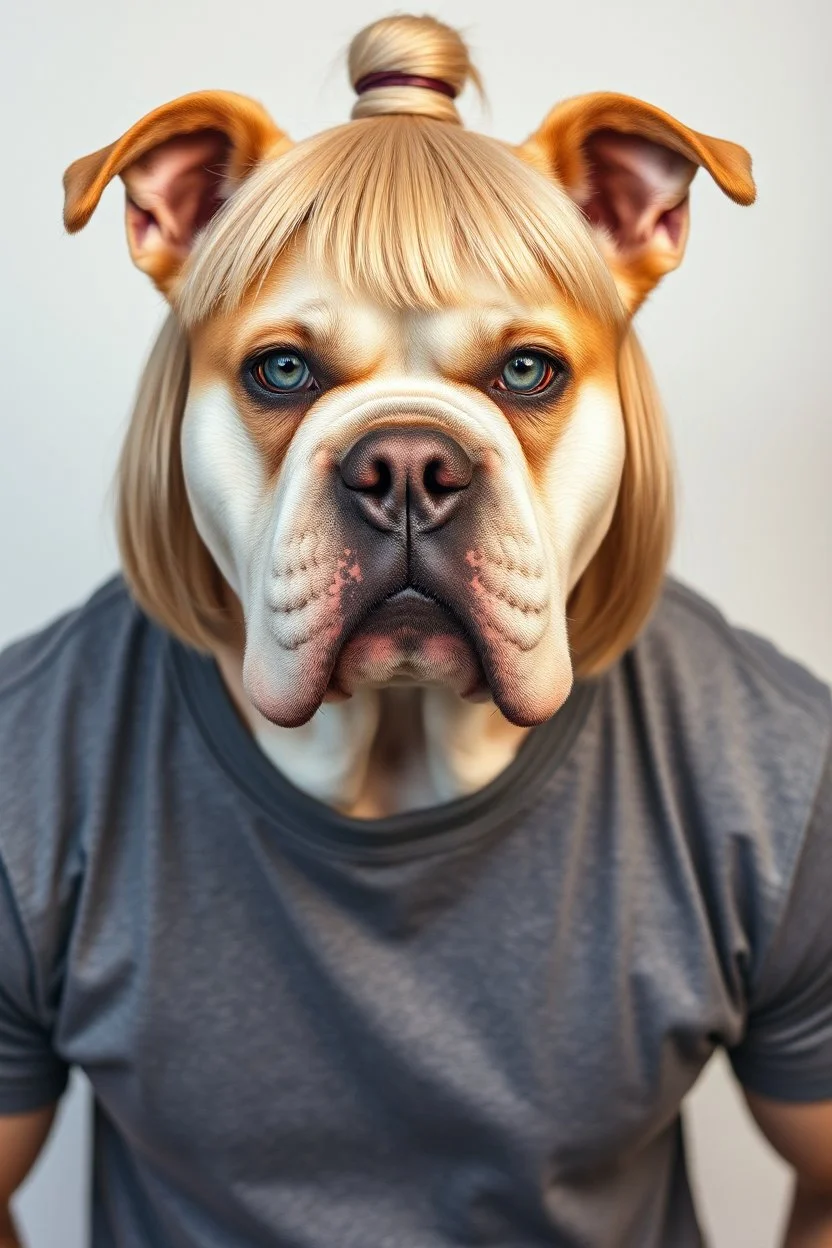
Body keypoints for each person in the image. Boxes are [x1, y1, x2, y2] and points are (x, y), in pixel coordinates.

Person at [2, 14, 831, 1248]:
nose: (407, 470)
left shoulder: (768, 773)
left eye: (525, 374)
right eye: (285, 372)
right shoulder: (32, 769)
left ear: (639, 217)